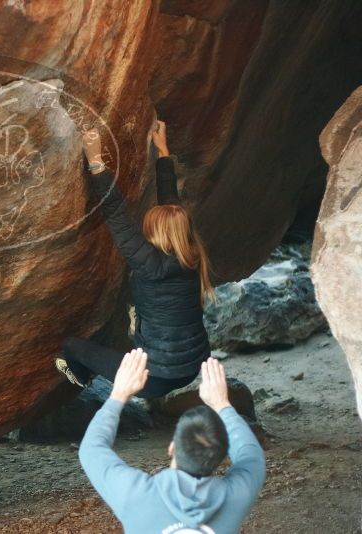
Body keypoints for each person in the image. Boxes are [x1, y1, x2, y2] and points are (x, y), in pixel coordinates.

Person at [55, 120, 216, 398]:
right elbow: (171, 204)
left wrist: (95, 160)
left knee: (71, 347)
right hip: (191, 367)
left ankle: (82, 378)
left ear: (157, 233)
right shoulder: (192, 252)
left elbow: (116, 211)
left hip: (153, 379)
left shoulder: (148, 262)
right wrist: (163, 152)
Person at [79, 350, 266, 533]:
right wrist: (222, 404)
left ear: (172, 448)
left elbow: (91, 449)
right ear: (223, 455)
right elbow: (251, 453)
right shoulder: (236, 496)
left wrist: (119, 395)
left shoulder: (137, 495)